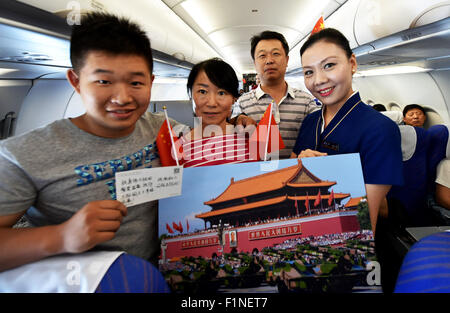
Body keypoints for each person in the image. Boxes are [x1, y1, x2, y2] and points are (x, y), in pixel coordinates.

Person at [0, 13, 172, 291]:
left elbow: (211, 143)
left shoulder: (162, 129)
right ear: (76, 81)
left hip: (167, 273)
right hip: (96, 283)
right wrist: (61, 236)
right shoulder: (23, 154)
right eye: (104, 82)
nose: (123, 97)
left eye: (136, 83)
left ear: (151, 82)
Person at [291, 28, 403, 234]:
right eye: (309, 72)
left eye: (329, 65)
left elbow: (366, 218)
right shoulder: (310, 121)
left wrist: (326, 173)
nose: (318, 80)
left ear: (352, 63)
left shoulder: (380, 129)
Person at [232, 31, 319, 159]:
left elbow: (320, 135)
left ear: (287, 60)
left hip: (297, 174)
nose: (269, 61)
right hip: (256, 176)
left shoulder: (307, 101)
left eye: (276, 54)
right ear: (255, 63)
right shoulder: (242, 103)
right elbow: (235, 144)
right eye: (262, 56)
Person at [179, 58, 255, 167]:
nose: (212, 103)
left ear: (234, 98)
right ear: (191, 95)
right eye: (202, 91)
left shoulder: (250, 135)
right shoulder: (179, 148)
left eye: (221, 93)